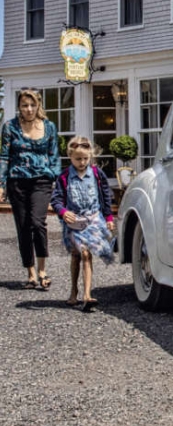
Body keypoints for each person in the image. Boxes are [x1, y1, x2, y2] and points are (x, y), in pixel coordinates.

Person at [0, 89, 60, 290]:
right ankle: (31, 273)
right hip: (17, 181)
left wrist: (54, 176)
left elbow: (54, 155)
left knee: (37, 222)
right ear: (19, 106)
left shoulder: (49, 127)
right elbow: (4, 157)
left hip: (41, 181)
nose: (29, 109)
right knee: (23, 226)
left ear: (38, 105)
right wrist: (1, 184)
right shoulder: (10, 127)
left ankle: (43, 270)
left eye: (32, 105)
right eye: (25, 105)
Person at [50, 136, 116, 312]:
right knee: (76, 256)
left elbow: (106, 196)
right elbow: (56, 200)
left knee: (87, 255)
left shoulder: (96, 174)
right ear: (70, 157)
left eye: (85, 158)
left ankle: (87, 295)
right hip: (74, 222)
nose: (82, 162)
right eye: (78, 159)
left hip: (93, 219)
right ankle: (74, 290)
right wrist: (63, 213)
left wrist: (109, 218)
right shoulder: (64, 177)